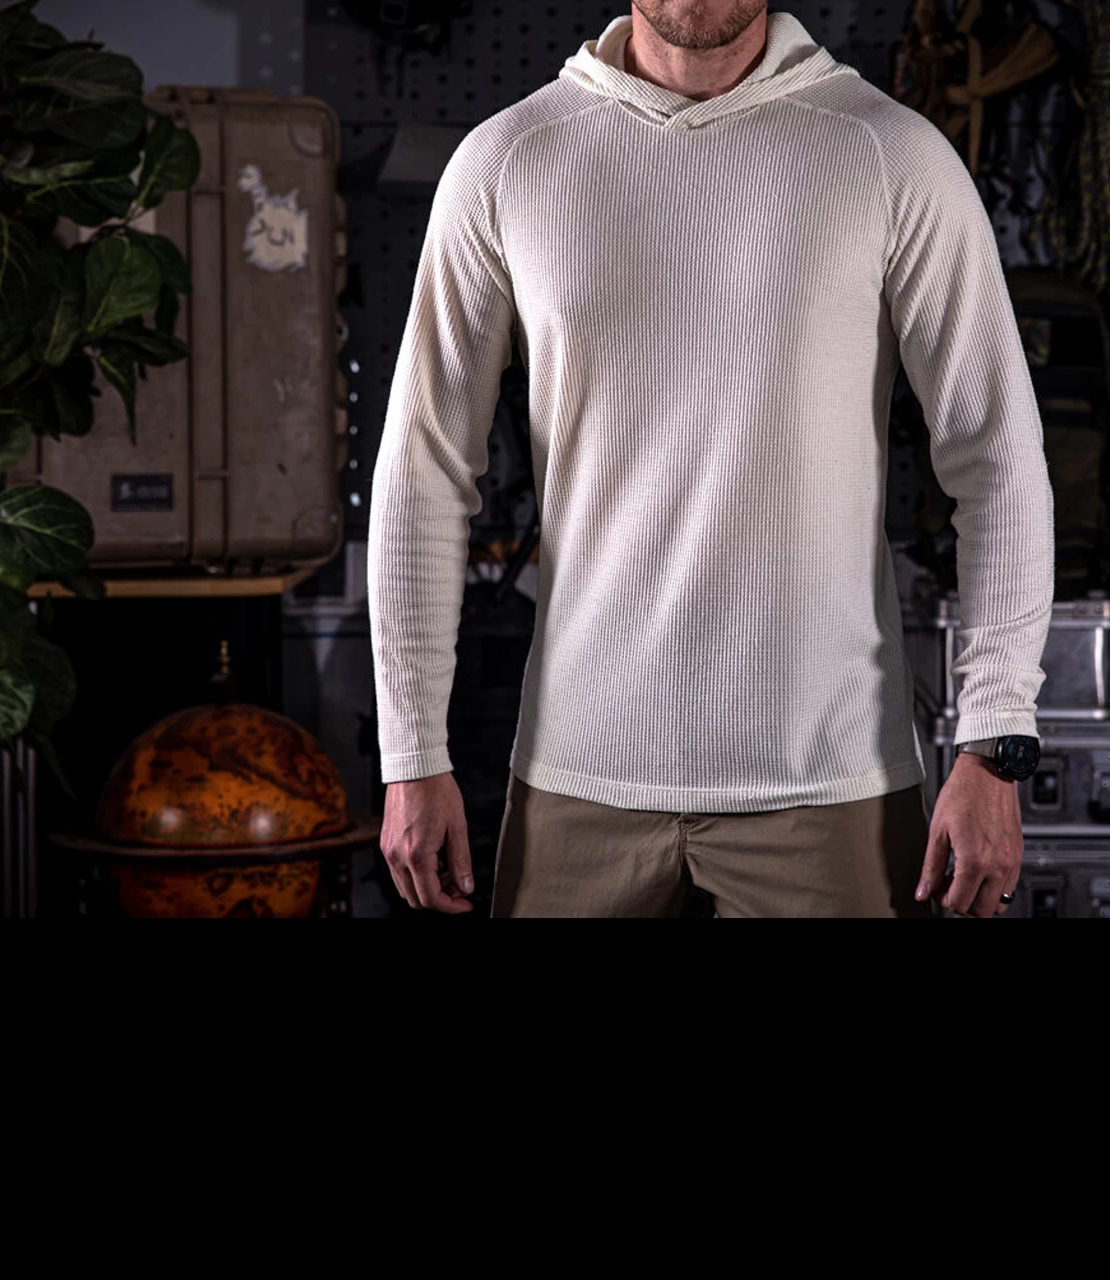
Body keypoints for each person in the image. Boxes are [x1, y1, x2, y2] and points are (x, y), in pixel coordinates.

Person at [367, 2, 1055, 918]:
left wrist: (995, 739)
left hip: (828, 784)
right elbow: (422, 471)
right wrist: (411, 753)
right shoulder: (508, 161)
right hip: (580, 777)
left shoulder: (891, 154)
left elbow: (996, 458)